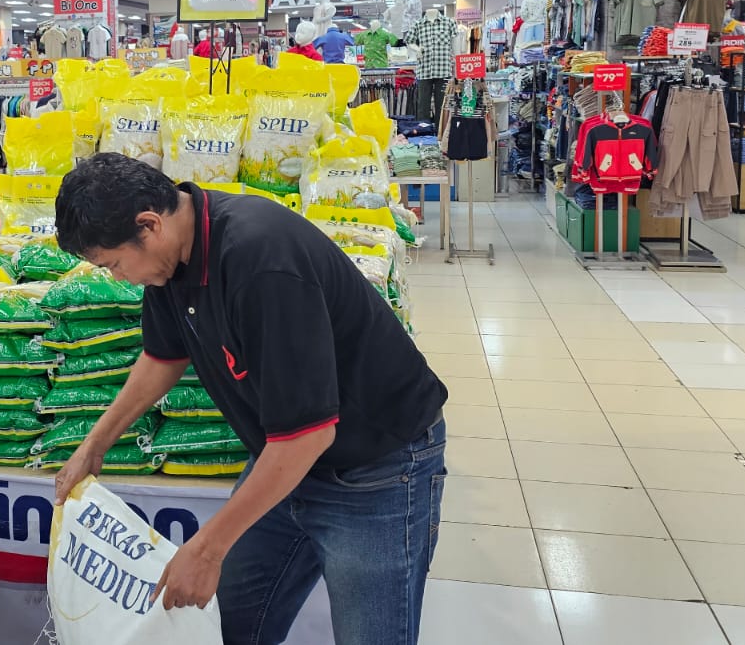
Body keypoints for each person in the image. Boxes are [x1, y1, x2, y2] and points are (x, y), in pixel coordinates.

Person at [52, 153, 449, 645]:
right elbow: (162, 357)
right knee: (225, 625)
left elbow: (308, 436)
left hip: (376, 469)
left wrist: (206, 549)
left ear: (149, 225)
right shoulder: (172, 260)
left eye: (113, 264)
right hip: (284, 455)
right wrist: (94, 445)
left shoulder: (260, 259)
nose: (119, 278)